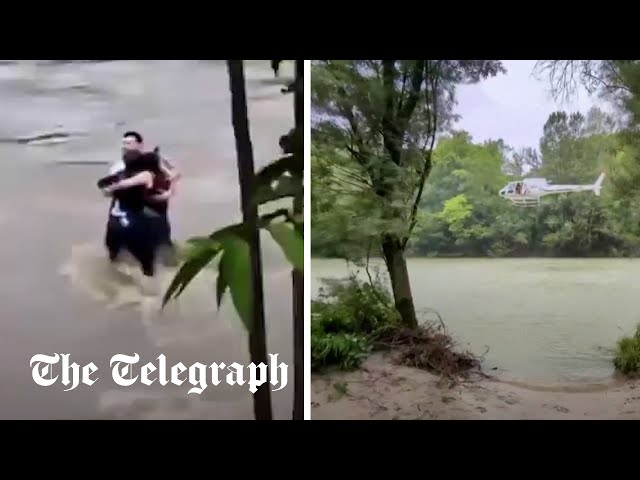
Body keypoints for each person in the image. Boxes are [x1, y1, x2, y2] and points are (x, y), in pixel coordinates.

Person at [110, 131, 181, 257]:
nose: (125, 147)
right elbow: (112, 191)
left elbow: (175, 173)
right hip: (130, 212)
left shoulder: (154, 160)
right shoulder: (118, 167)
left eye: (129, 143)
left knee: (164, 247)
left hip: (156, 211)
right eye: (123, 144)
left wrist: (171, 188)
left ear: (140, 145)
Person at [99, 151, 164, 281]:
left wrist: (110, 189)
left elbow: (101, 183)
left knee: (114, 257)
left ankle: (116, 280)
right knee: (147, 262)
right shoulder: (146, 175)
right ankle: (150, 291)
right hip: (135, 223)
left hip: (115, 223)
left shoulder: (119, 176)